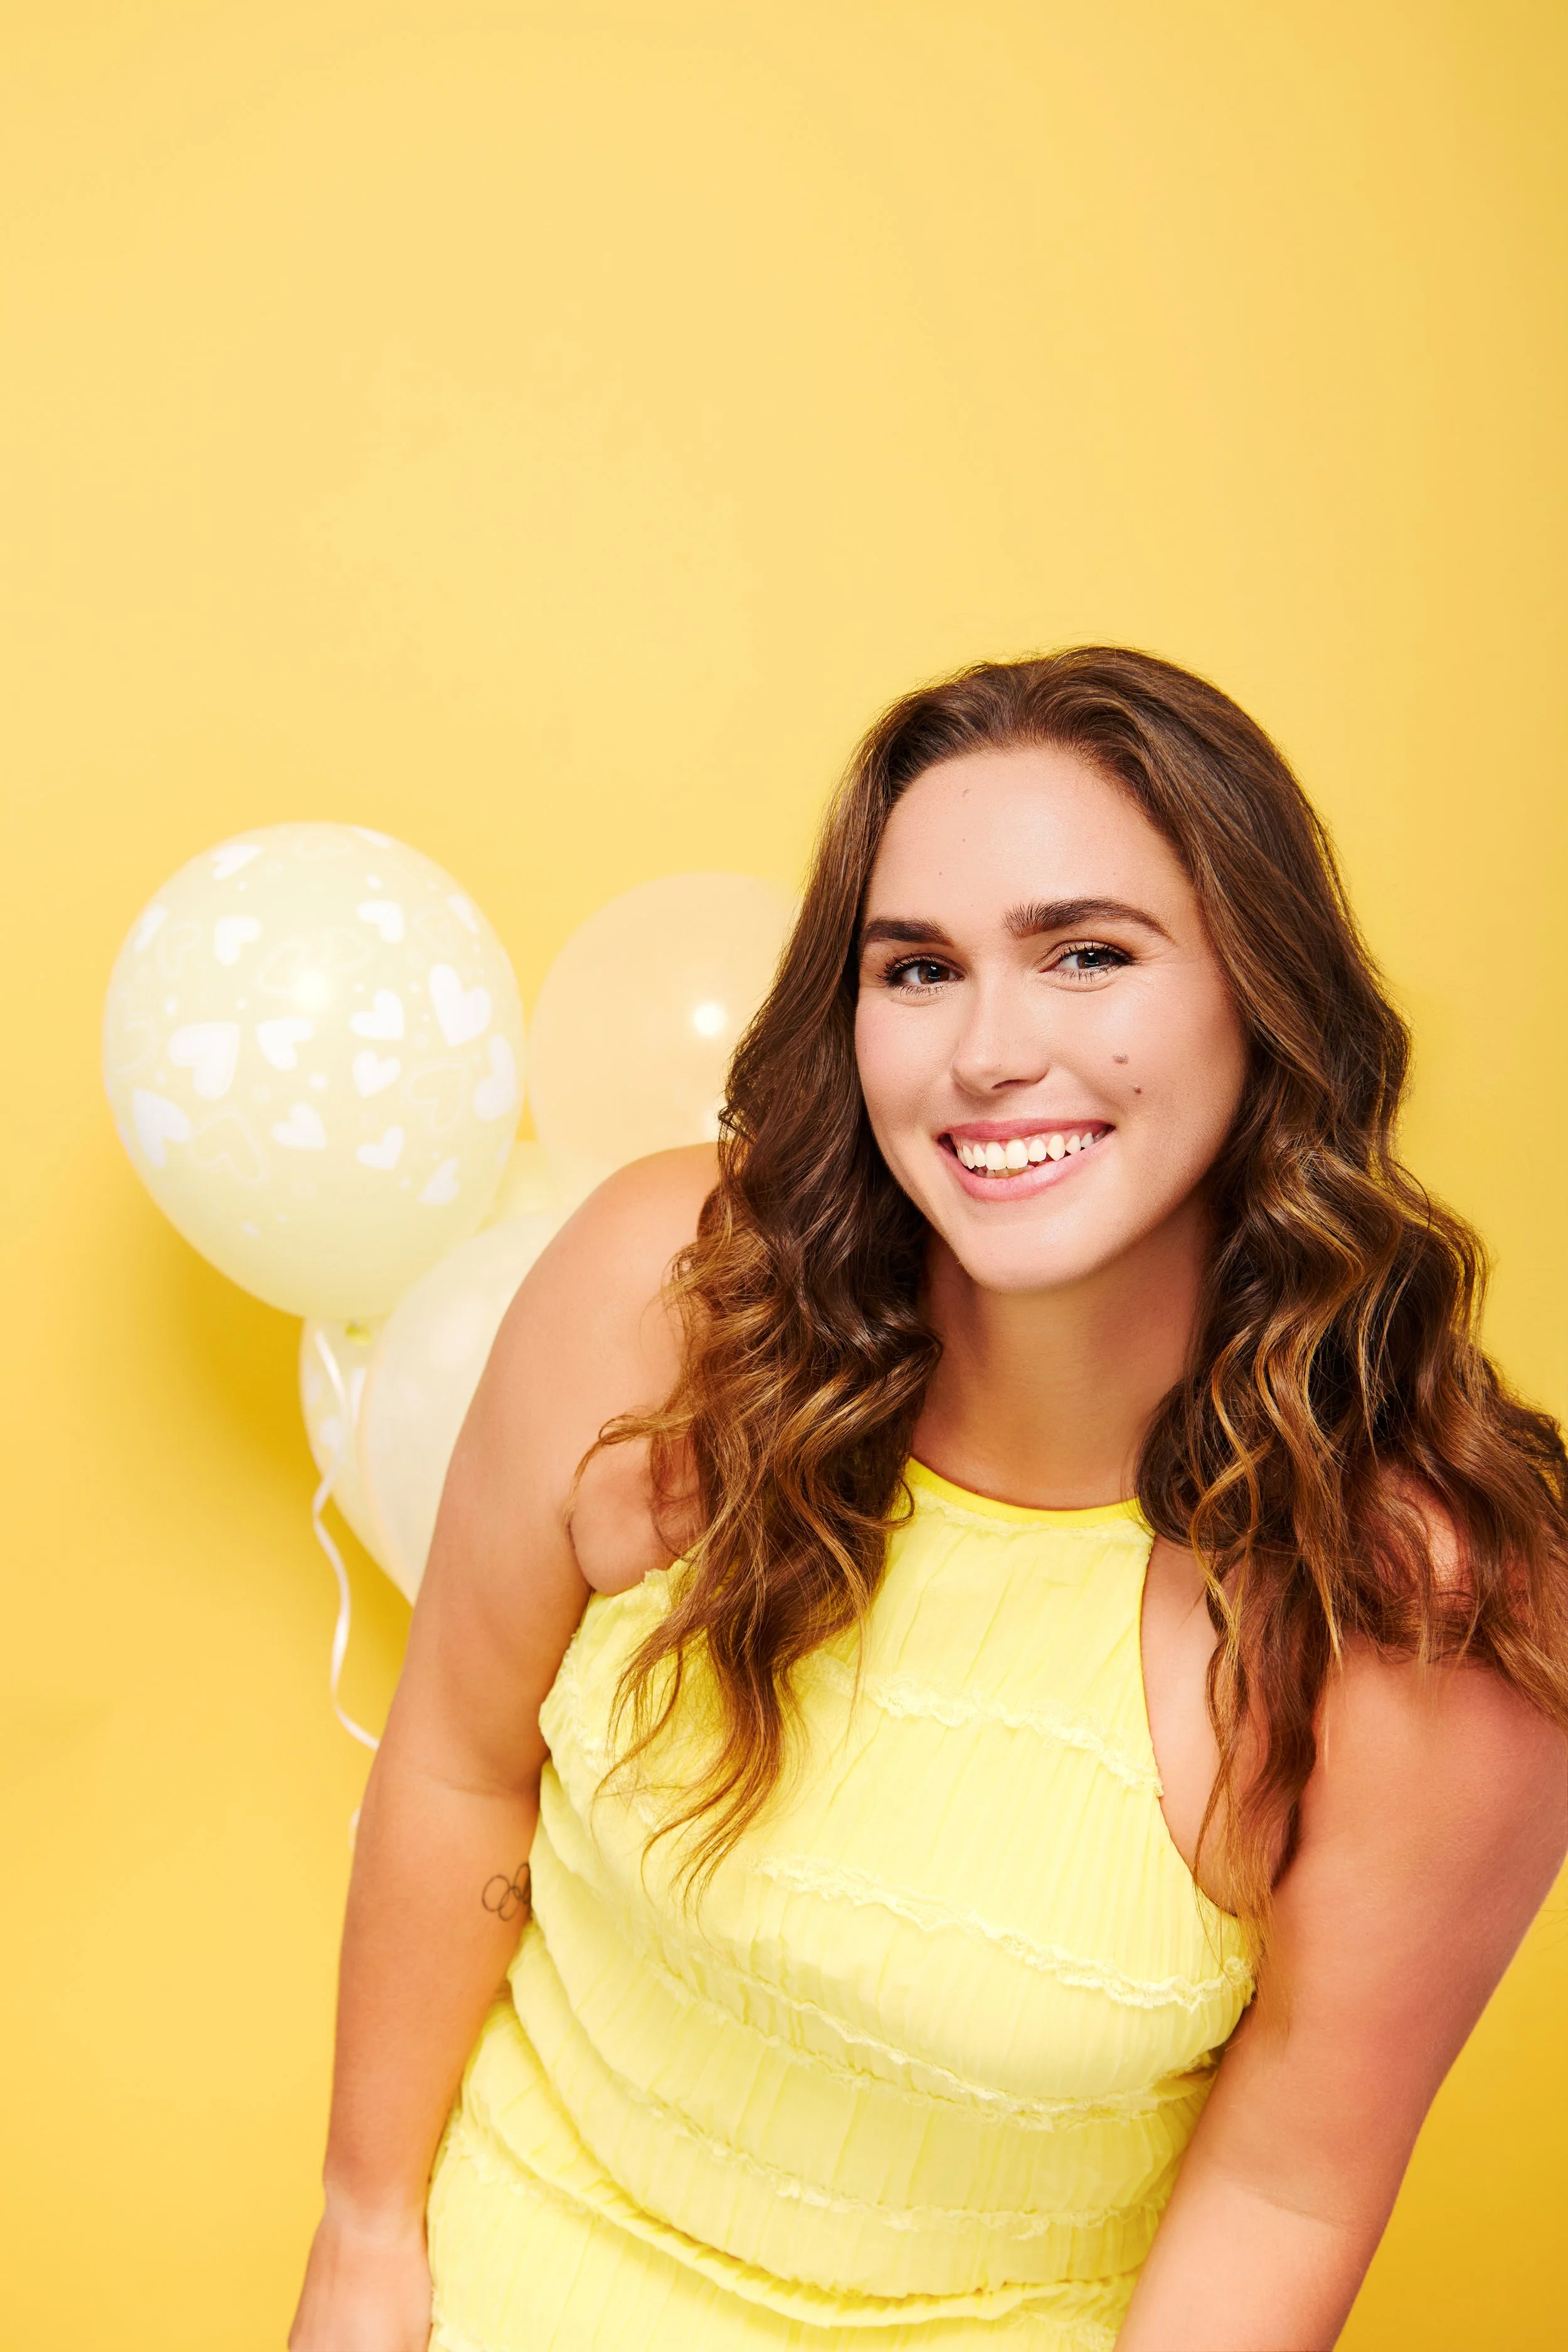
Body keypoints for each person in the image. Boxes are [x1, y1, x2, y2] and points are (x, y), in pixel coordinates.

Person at [289, 649, 1568, 2352]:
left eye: (1088, 953)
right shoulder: (666, 1299)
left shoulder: (1420, 1601)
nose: (987, 1052)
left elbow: (1287, 2193)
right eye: (917, 969)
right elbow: (457, 1767)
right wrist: (363, 2241)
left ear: (1262, 999)